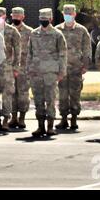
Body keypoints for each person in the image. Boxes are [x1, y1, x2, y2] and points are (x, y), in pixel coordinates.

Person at [27, 8, 67, 137]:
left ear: (51, 19)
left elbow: (62, 54)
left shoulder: (57, 34)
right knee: (38, 100)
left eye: (46, 20)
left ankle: (50, 127)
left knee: (50, 99)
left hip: (50, 72)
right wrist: (29, 69)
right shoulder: (34, 33)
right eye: (41, 20)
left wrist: (61, 71)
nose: (43, 22)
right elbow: (30, 53)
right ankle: (40, 126)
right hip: (36, 72)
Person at [55, 4, 92, 130]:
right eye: (66, 14)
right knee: (62, 95)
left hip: (76, 68)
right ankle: (64, 119)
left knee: (75, 95)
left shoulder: (82, 30)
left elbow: (87, 49)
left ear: (74, 14)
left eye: (70, 14)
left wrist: (86, 65)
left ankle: (74, 120)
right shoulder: (57, 30)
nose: (68, 16)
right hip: (62, 69)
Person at [0, 7, 21, 131]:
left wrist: (15, 67)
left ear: (5, 16)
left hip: (7, 68)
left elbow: (18, 50)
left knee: (7, 95)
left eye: (0, 15)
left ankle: (5, 119)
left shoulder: (12, 31)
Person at [10, 7, 33, 129]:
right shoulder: (7, 30)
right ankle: (13, 118)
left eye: (18, 16)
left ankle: (22, 118)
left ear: (23, 17)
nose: (16, 18)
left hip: (24, 68)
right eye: (14, 16)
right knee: (11, 94)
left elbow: (33, 51)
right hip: (10, 68)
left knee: (23, 94)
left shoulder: (30, 32)